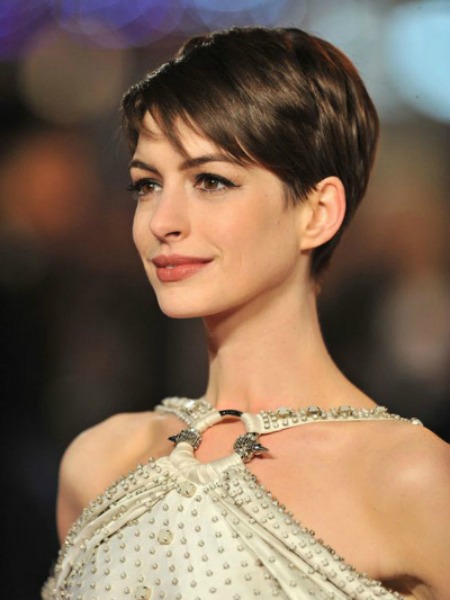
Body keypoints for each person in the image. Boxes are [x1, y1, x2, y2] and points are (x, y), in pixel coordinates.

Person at [42, 27, 450, 599]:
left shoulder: (409, 477)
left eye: (211, 180)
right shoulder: (99, 461)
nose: (162, 221)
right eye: (147, 184)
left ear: (318, 212)